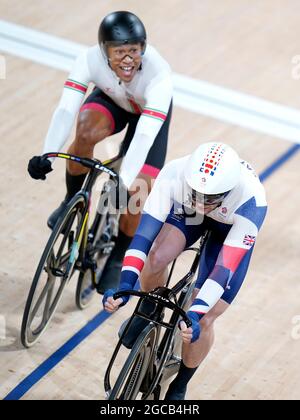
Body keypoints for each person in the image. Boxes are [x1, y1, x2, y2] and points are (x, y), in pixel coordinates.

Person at [103, 142, 268, 400]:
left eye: (208, 198)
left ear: (226, 193)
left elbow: (223, 270)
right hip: (188, 215)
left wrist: (196, 311)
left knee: (203, 319)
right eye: (196, 193)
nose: (201, 201)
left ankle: (181, 383)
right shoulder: (175, 173)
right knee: (156, 257)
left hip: (229, 230)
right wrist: (126, 284)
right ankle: (148, 309)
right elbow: (144, 237)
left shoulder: (252, 201)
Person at [27, 11, 173, 293]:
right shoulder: (89, 59)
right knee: (84, 132)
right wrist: (47, 154)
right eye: (120, 52)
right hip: (113, 101)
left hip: (149, 120)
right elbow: (67, 108)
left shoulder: (160, 75)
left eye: (134, 50)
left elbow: (144, 135)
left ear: (144, 47)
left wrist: (125, 180)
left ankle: (119, 256)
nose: (128, 59)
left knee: (137, 191)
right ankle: (71, 200)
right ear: (104, 50)